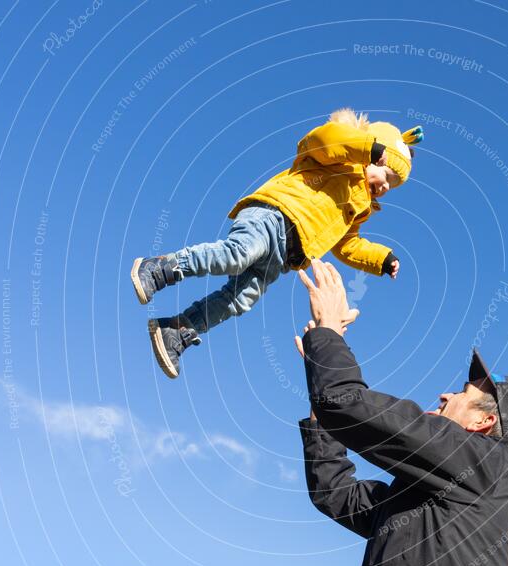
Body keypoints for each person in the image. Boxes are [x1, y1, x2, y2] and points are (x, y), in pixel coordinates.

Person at [294, 259, 508, 566]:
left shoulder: (489, 466)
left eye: (463, 393)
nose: (446, 394)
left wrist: (328, 332)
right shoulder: (429, 491)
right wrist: (322, 399)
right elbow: (334, 493)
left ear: (483, 422)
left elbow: (345, 401)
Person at [130, 108, 424, 378]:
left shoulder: (358, 208)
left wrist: (382, 259)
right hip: (273, 217)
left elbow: (347, 246)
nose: (385, 187)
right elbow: (323, 140)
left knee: (241, 298)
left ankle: (176, 329)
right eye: (386, 175)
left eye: (391, 186)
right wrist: (365, 148)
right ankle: (160, 269)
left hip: (284, 257)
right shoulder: (338, 159)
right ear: (372, 151)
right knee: (237, 254)